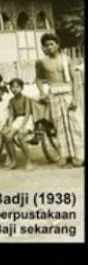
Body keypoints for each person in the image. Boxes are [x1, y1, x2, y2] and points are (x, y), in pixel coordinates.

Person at [35, 33, 84, 168]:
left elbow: (75, 80)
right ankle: (65, 155)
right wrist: (42, 92)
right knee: (60, 126)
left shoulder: (67, 59)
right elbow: (38, 79)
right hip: (54, 96)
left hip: (68, 94)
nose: (49, 47)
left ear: (57, 45)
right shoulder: (42, 62)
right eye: (46, 45)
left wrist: (75, 99)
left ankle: (79, 156)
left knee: (75, 124)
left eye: (52, 44)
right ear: (43, 47)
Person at [3, 78, 34, 170]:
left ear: (22, 88)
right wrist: (9, 125)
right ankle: (13, 161)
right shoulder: (11, 100)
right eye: (12, 87)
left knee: (21, 136)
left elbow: (28, 113)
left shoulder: (26, 98)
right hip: (17, 120)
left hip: (26, 119)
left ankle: (29, 161)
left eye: (17, 87)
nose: (14, 89)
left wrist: (22, 126)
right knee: (8, 137)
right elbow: (12, 114)